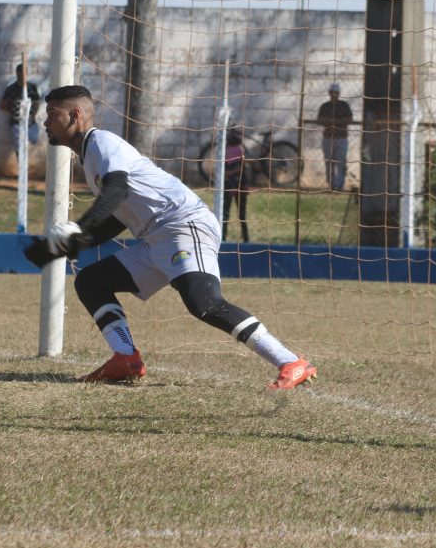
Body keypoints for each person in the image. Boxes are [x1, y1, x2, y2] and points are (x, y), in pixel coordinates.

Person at [23, 85, 316, 389]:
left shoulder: (102, 142)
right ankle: (126, 358)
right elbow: (116, 218)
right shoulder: (90, 156)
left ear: (75, 115)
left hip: (183, 225)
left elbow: (116, 190)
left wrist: (80, 229)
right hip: (157, 237)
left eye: (52, 114)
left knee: (204, 303)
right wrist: (65, 246)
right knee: (91, 281)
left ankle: (291, 361)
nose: (45, 122)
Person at [317, 82, 354, 191]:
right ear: (329, 93)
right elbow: (320, 120)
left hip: (341, 137)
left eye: (336, 92)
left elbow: (349, 119)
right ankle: (331, 185)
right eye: (332, 92)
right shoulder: (325, 106)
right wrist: (335, 122)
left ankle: (339, 185)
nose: (334, 94)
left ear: (339, 93)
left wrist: (333, 122)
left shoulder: (344, 105)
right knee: (329, 162)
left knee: (341, 162)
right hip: (328, 137)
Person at [0, 63, 41, 155]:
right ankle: (20, 161)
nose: (22, 75)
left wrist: (33, 114)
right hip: (16, 122)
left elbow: (37, 102)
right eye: (20, 73)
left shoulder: (32, 87)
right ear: (17, 73)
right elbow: (2, 105)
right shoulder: (11, 89)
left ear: (27, 73)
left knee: (34, 139)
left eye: (24, 72)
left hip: (30, 121)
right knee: (18, 146)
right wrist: (13, 109)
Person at [222, 128, 250, 243]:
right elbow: (242, 169)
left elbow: (224, 171)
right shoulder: (240, 150)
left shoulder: (225, 151)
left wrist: (229, 173)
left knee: (225, 215)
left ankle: (223, 238)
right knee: (241, 216)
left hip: (230, 185)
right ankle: (246, 240)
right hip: (239, 185)